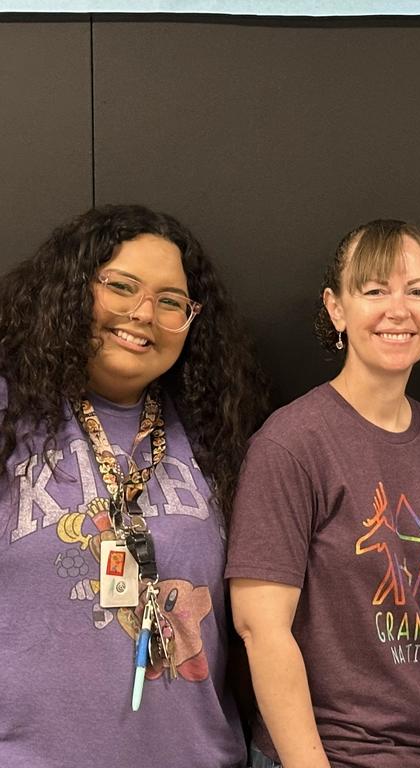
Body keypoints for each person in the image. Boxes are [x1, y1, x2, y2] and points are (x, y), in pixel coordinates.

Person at [0, 204, 267, 767]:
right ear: (73, 291)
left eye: (171, 301)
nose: (144, 313)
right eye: (121, 287)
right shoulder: (8, 414)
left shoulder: (218, 433)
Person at [227, 219, 420, 768]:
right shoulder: (292, 444)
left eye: (418, 290)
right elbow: (259, 627)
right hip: (326, 756)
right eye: (374, 290)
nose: (398, 309)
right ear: (336, 309)